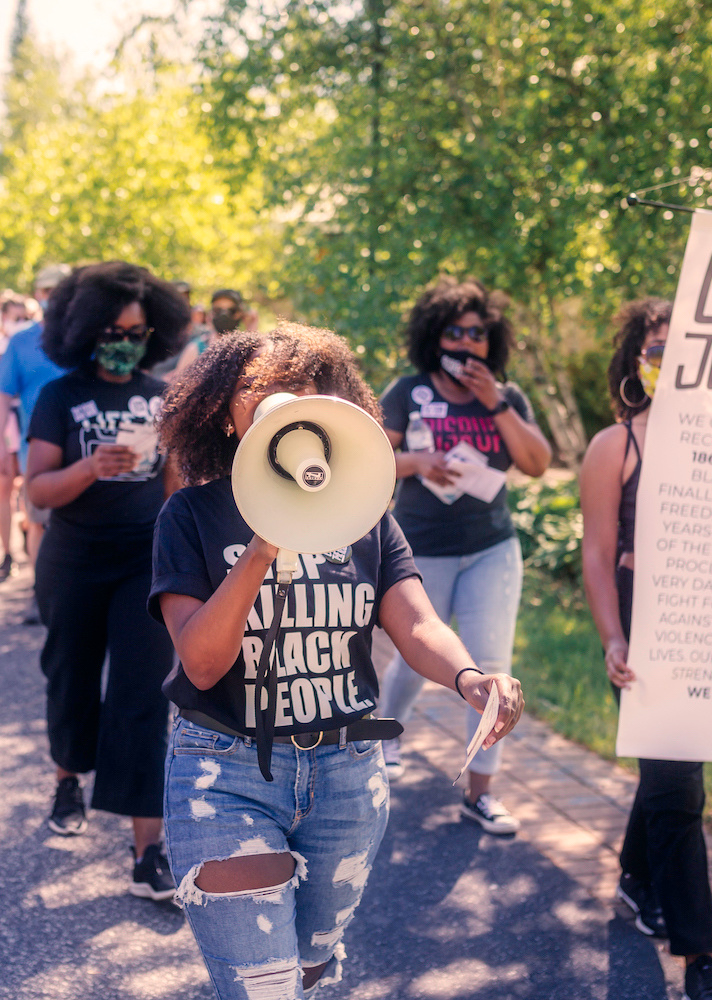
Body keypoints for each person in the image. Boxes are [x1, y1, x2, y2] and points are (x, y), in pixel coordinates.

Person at [150, 323, 524, 998]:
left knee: (310, 969)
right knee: (262, 986)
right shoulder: (191, 516)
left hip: (348, 773)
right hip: (225, 770)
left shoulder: (362, 514)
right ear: (224, 415)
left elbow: (414, 622)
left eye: (299, 388)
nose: (280, 402)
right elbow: (202, 665)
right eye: (256, 390)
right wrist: (266, 541)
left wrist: (470, 677)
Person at [579, 298, 712, 1000]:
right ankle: (700, 957)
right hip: (642, 629)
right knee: (681, 789)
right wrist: (613, 634)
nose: (666, 357)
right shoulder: (617, 445)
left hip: (707, 626)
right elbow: (596, 551)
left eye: (682, 347)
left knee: (667, 777)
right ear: (634, 360)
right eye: (654, 346)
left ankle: (636, 878)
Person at [25, 261, 190, 899]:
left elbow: (175, 487)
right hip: (72, 559)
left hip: (143, 564)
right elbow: (38, 488)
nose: (128, 342)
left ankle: (148, 852)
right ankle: (69, 778)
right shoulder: (60, 396)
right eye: (116, 330)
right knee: (70, 675)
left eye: (140, 332)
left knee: (145, 697)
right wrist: (91, 467)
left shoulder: (162, 396)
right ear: (87, 330)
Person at [377, 276, 551, 835]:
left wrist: (493, 401)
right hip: (421, 548)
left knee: (493, 666)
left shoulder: (506, 396)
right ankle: (388, 737)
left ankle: (481, 792)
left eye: (478, 333)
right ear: (435, 336)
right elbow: (373, 456)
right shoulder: (408, 390)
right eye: (455, 331)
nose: (468, 342)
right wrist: (418, 462)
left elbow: (537, 463)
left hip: (490, 550)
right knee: (412, 658)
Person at [0, 265, 72, 619]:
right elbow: (3, 394)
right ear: (38, 295)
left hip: (82, 450)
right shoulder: (21, 341)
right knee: (38, 522)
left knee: (78, 520)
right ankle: (40, 593)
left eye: (60, 289)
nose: (53, 296)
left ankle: (76, 593)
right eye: (47, 290)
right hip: (35, 451)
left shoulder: (83, 338)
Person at [0, 292, 31, 579]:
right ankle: (8, 552)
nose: (19, 322)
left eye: (24, 317)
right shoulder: (10, 349)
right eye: (14, 316)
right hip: (10, 429)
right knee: (6, 487)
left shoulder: (28, 346)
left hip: (26, 428)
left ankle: (26, 542)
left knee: (26, 489)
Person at [171, 287, 254, 378]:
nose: (224, 315)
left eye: (231, 311)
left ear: (240, 314)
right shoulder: (196, 349)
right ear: (211, 313)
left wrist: (252, 327)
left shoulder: (248, 349)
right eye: (218, 310)